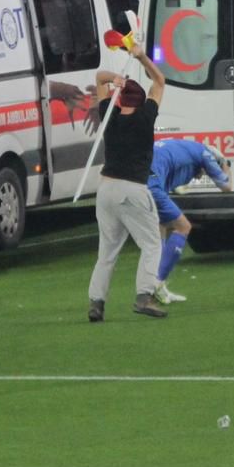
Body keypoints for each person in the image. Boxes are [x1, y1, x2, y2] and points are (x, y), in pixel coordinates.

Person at [87, 45, 167, 322]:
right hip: (132, 188)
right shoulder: (146, 118)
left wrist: (113, 80)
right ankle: (144, 296)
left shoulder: (109, 114)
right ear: (142, 101)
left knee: (106, 252)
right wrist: (142, 56)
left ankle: (96, 304)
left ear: (120, 99)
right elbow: (160, 80)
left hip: (106, 189)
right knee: (152, 243)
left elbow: (99, 78)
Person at [147, 140, 231, 304]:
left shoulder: (187, 147)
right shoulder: (206, 154)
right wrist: (226, 165)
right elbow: (227, 187)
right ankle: (157, 282)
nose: (201, 176)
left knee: (161, 226)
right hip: (152, 185)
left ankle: (157, 287)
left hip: (141, 177)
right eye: (205, 172)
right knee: (183, 227)